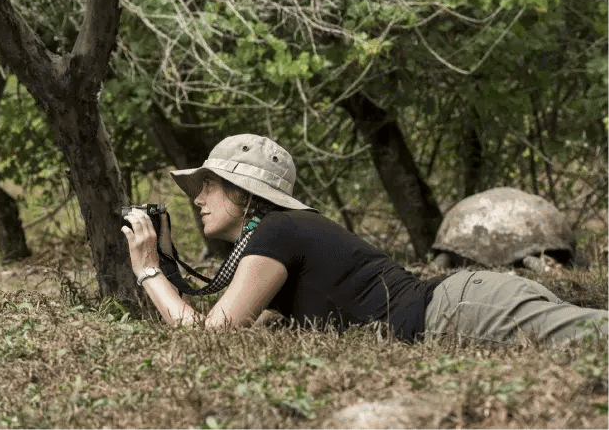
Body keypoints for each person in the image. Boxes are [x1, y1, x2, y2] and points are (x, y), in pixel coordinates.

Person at [122, 133, 609, 346]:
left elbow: (211, 337)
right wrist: (168, 265)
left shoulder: (277, 229)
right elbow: (234, 324)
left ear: (244, 193)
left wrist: (147, 270)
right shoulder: (279, 237)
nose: (198, 198)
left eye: (208, 184)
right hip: (466, 305)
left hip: (463, 311)